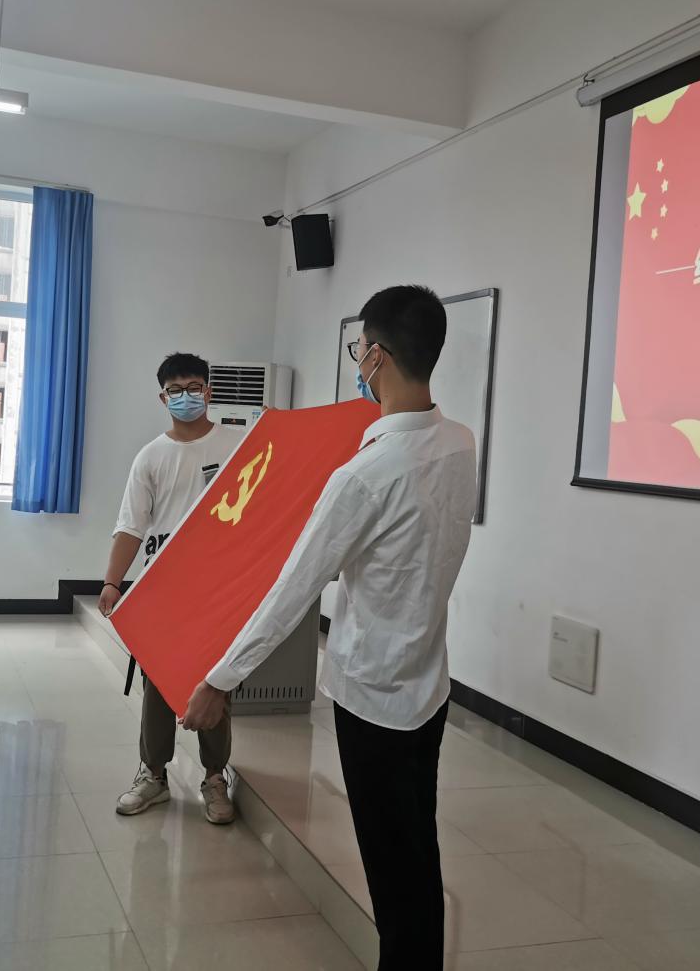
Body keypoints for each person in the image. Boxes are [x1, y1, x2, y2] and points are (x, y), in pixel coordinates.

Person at [183, 285, 476, 971]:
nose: (357, 362)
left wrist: (220, 680)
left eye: (357, 350)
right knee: (417, 849)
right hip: (428, 687)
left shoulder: (365, 474)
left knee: (392, 866)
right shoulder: (459, 443)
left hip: (372, 697)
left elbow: (292, 591)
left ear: (377, 357)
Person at [99, 352, 245, 825]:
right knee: (159, 684)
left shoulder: (238, 445)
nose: (186, 397)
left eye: (194, 387)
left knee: (215, 684)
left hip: (218, 590)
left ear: (208, 391)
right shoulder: (151, 457)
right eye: (176, 390)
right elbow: (131, 526)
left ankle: (215, 777)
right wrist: (112, 582)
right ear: (163, 398)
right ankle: (153, 774)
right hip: (162, 590)